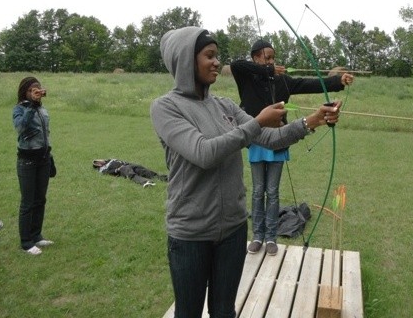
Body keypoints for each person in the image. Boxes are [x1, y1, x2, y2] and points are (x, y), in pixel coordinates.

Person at [150, 27, 341, 318]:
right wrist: (256, 122)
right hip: (190, 233)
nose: (217, 62)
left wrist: (311, 120)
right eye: (209, 55)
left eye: (217, 56)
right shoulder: (166, 107)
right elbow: (204, 153)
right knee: (187, 312)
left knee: (225, 310)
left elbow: (269, 138)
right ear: (185, 60)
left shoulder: (224, 105)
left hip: (233, 228)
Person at [230, 39, 354, 256]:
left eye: (273, 57)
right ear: (256, 58)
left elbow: (310, 83)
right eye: (266, 57)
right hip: (257, 141)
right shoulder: (247, 78)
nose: (271, 61)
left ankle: (270, 237)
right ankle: (257, 236)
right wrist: (267, 70)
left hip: (279, 139)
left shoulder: (282, 82)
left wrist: (338, 81)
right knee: (258, 192)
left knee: (273, 192)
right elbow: (235, 65)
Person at [12, 77, 54, 255]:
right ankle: (26, 242)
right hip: (27, 161)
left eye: (38, 89)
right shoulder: (19, 109)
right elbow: (21, 128)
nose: (36, 92)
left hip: (43, 159)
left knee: (40, 200)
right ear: (25, 92)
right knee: (27, 203)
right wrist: (30, 106)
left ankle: (36, 235)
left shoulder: (42, 109)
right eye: (32, 90)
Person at [92, 158, 168, 187]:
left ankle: (165, 178)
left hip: (129, 165)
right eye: (96, 163)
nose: (99, 162)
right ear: (98, 166)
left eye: (97, 160)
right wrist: (118, 169)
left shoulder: (109, 160)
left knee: (145, 171)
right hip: (122, 169)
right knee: (131, 174)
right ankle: (145, 182)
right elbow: (109, 173)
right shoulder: (102, 169)